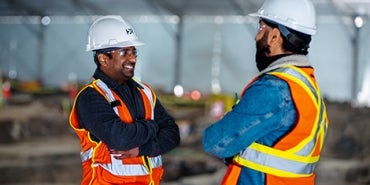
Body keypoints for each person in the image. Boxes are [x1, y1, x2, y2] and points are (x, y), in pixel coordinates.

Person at [202, 0, 329, 184]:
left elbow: (214, 142)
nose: (256, 36)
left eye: (261, 27)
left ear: (275, 36)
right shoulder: (307, 87)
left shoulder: (273, 88)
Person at [69, 15, 180, 185]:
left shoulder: (145, 92)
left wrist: (143, 149)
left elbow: (173, 135)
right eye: (124, 53)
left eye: (133, 52)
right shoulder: (91, 97)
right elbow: (120, 139)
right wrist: (153, 125)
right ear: (103, 59)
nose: (133, 59)